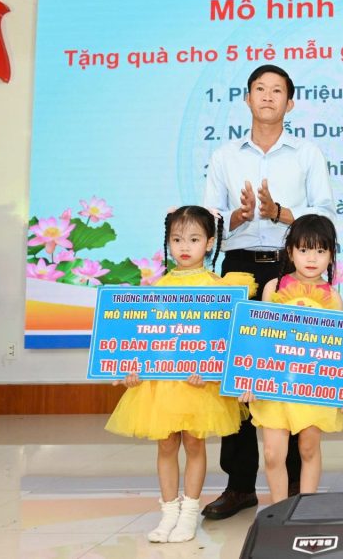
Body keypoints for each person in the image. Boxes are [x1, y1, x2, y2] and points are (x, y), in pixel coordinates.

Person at [202, 63, 334, 519]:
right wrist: (234, 219)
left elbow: (325, 214)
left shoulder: (307, 154)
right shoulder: (224, 156)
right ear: (247, 98)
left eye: (277, 90)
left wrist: (280, 213)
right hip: (239, 267)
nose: (268, 96)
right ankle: (239, 485)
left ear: (289, 103)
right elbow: (207, 220)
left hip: (290, 266)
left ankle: (294, 484)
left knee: (293, 370)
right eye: (260, 89)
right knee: (239, 373)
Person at [105, 206, 256, 543]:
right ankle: (168, 512)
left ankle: (189, 513)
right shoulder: (159, 286)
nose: (184, 246)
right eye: (177, 239)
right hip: (163, 383)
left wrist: (213, 372)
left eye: (194, 239)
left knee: (194, 442)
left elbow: (226, 343)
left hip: (197, 384)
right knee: (166, 443)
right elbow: (145, 336)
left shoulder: (219, 288)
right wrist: (133, 369)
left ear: (210, 242)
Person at [239, 214, 343, 502]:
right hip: (274, 385)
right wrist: (249, 379)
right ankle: (278, 512)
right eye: (304, 250)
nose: (312, 258)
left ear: (331, 255)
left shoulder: (333, 298)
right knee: (272, 453)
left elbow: (341, 350)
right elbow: (260, 339)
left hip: (312, 387)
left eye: (320, 250)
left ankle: (306, 508)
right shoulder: (274, 289)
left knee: (308, 448)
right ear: (290, 252)